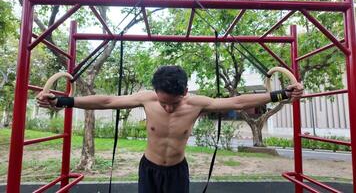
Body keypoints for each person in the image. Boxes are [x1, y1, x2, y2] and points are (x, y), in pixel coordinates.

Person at [36, 65, 304, 193]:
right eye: (163, 102)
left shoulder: (197, 104)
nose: (166, 108)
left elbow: (237, 101)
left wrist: (280, 95)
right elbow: (106, 101)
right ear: (155, 93)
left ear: (185, 93)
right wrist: (62, 100)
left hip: (177, 170)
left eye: (173, 103)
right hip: (149, 168)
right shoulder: (146, 98)